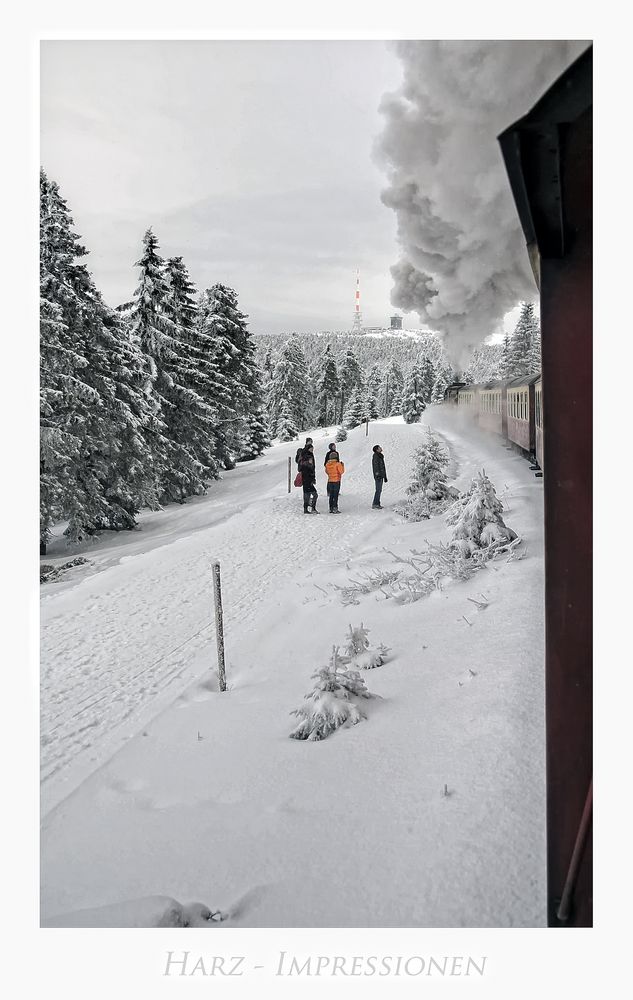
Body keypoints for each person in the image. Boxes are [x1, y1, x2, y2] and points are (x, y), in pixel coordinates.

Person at [298, 444, 319, 513]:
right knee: (314, 494)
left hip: (307, 478)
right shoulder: (306, 456)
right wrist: (308, 463)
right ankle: (312, 508)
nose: (312, 450)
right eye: (311, 448)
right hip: (307, 478)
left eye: (313, 448)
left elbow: (312, 468)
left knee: (307, 494)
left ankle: (306, 509)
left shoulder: (309, 455)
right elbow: (302, 467)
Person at [371, 444, 388, 509]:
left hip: (381, 476)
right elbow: (375, 466)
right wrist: (377, 475)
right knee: (378, 490)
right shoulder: (376, 456)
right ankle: (375, 504)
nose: (381, 448)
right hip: (378, 476)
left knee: (379, 490)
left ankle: (377, 503)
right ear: (377, 449)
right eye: (379, 447)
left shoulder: (380, 456)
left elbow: (382, 467)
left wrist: (385, 477)